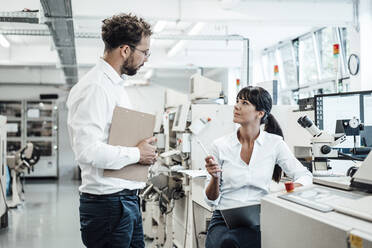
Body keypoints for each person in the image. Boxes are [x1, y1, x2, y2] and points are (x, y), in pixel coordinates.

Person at [67, 13, 156, 248]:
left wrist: (142, 149)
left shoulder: (114, 86)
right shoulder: (96, 87)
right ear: (125, 50)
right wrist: (138, 154)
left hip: (125, 200)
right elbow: (87, 151)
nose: (146, 59)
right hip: (108, 205)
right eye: (145, 52)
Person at [204, 86, 313, 248]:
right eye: (237, 101)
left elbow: (305, 177)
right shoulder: (220, 145)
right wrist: (215, 178)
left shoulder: (275, 143)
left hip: (260, 217)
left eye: (245, 102)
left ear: (260, 113)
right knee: (226, 241)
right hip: (224, 217)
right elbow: (211, 200)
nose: (236, 106)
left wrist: (284, 189)